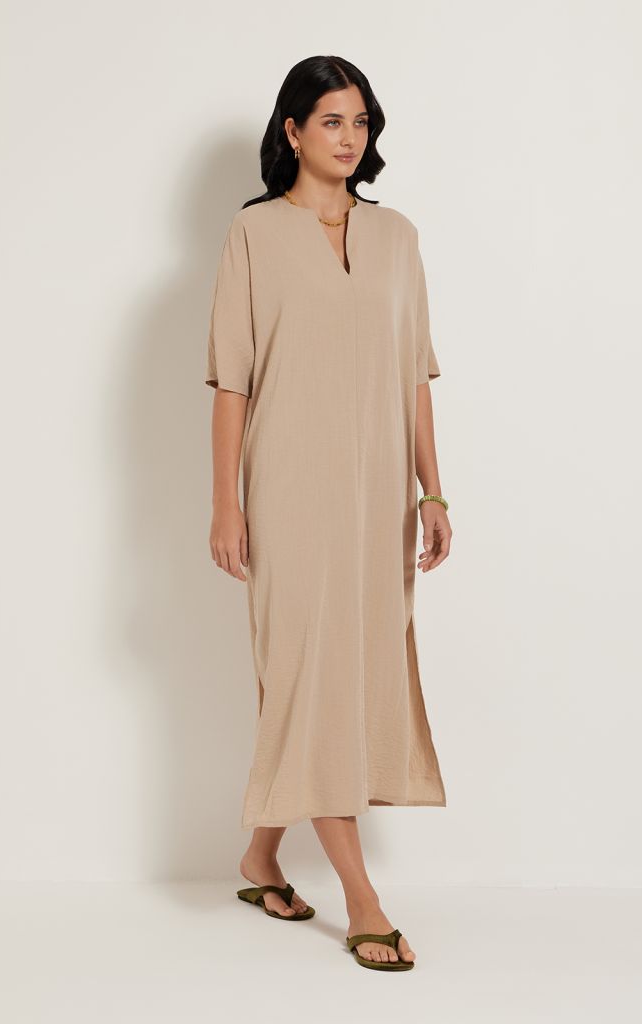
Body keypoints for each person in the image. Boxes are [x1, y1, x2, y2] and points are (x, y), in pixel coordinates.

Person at [204, 55, 452, 972]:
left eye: (361, 122)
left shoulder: (398, 238)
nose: (350, 138)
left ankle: (260, 858)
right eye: (332, 121)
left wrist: (433, 490)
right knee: (310, 676)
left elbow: (416, 374)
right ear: (292, 131)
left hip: (377, 495)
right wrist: (225, 503)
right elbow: (233, 381)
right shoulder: (254, 234)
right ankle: (363, 900)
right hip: (288, 491)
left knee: (343, 676)